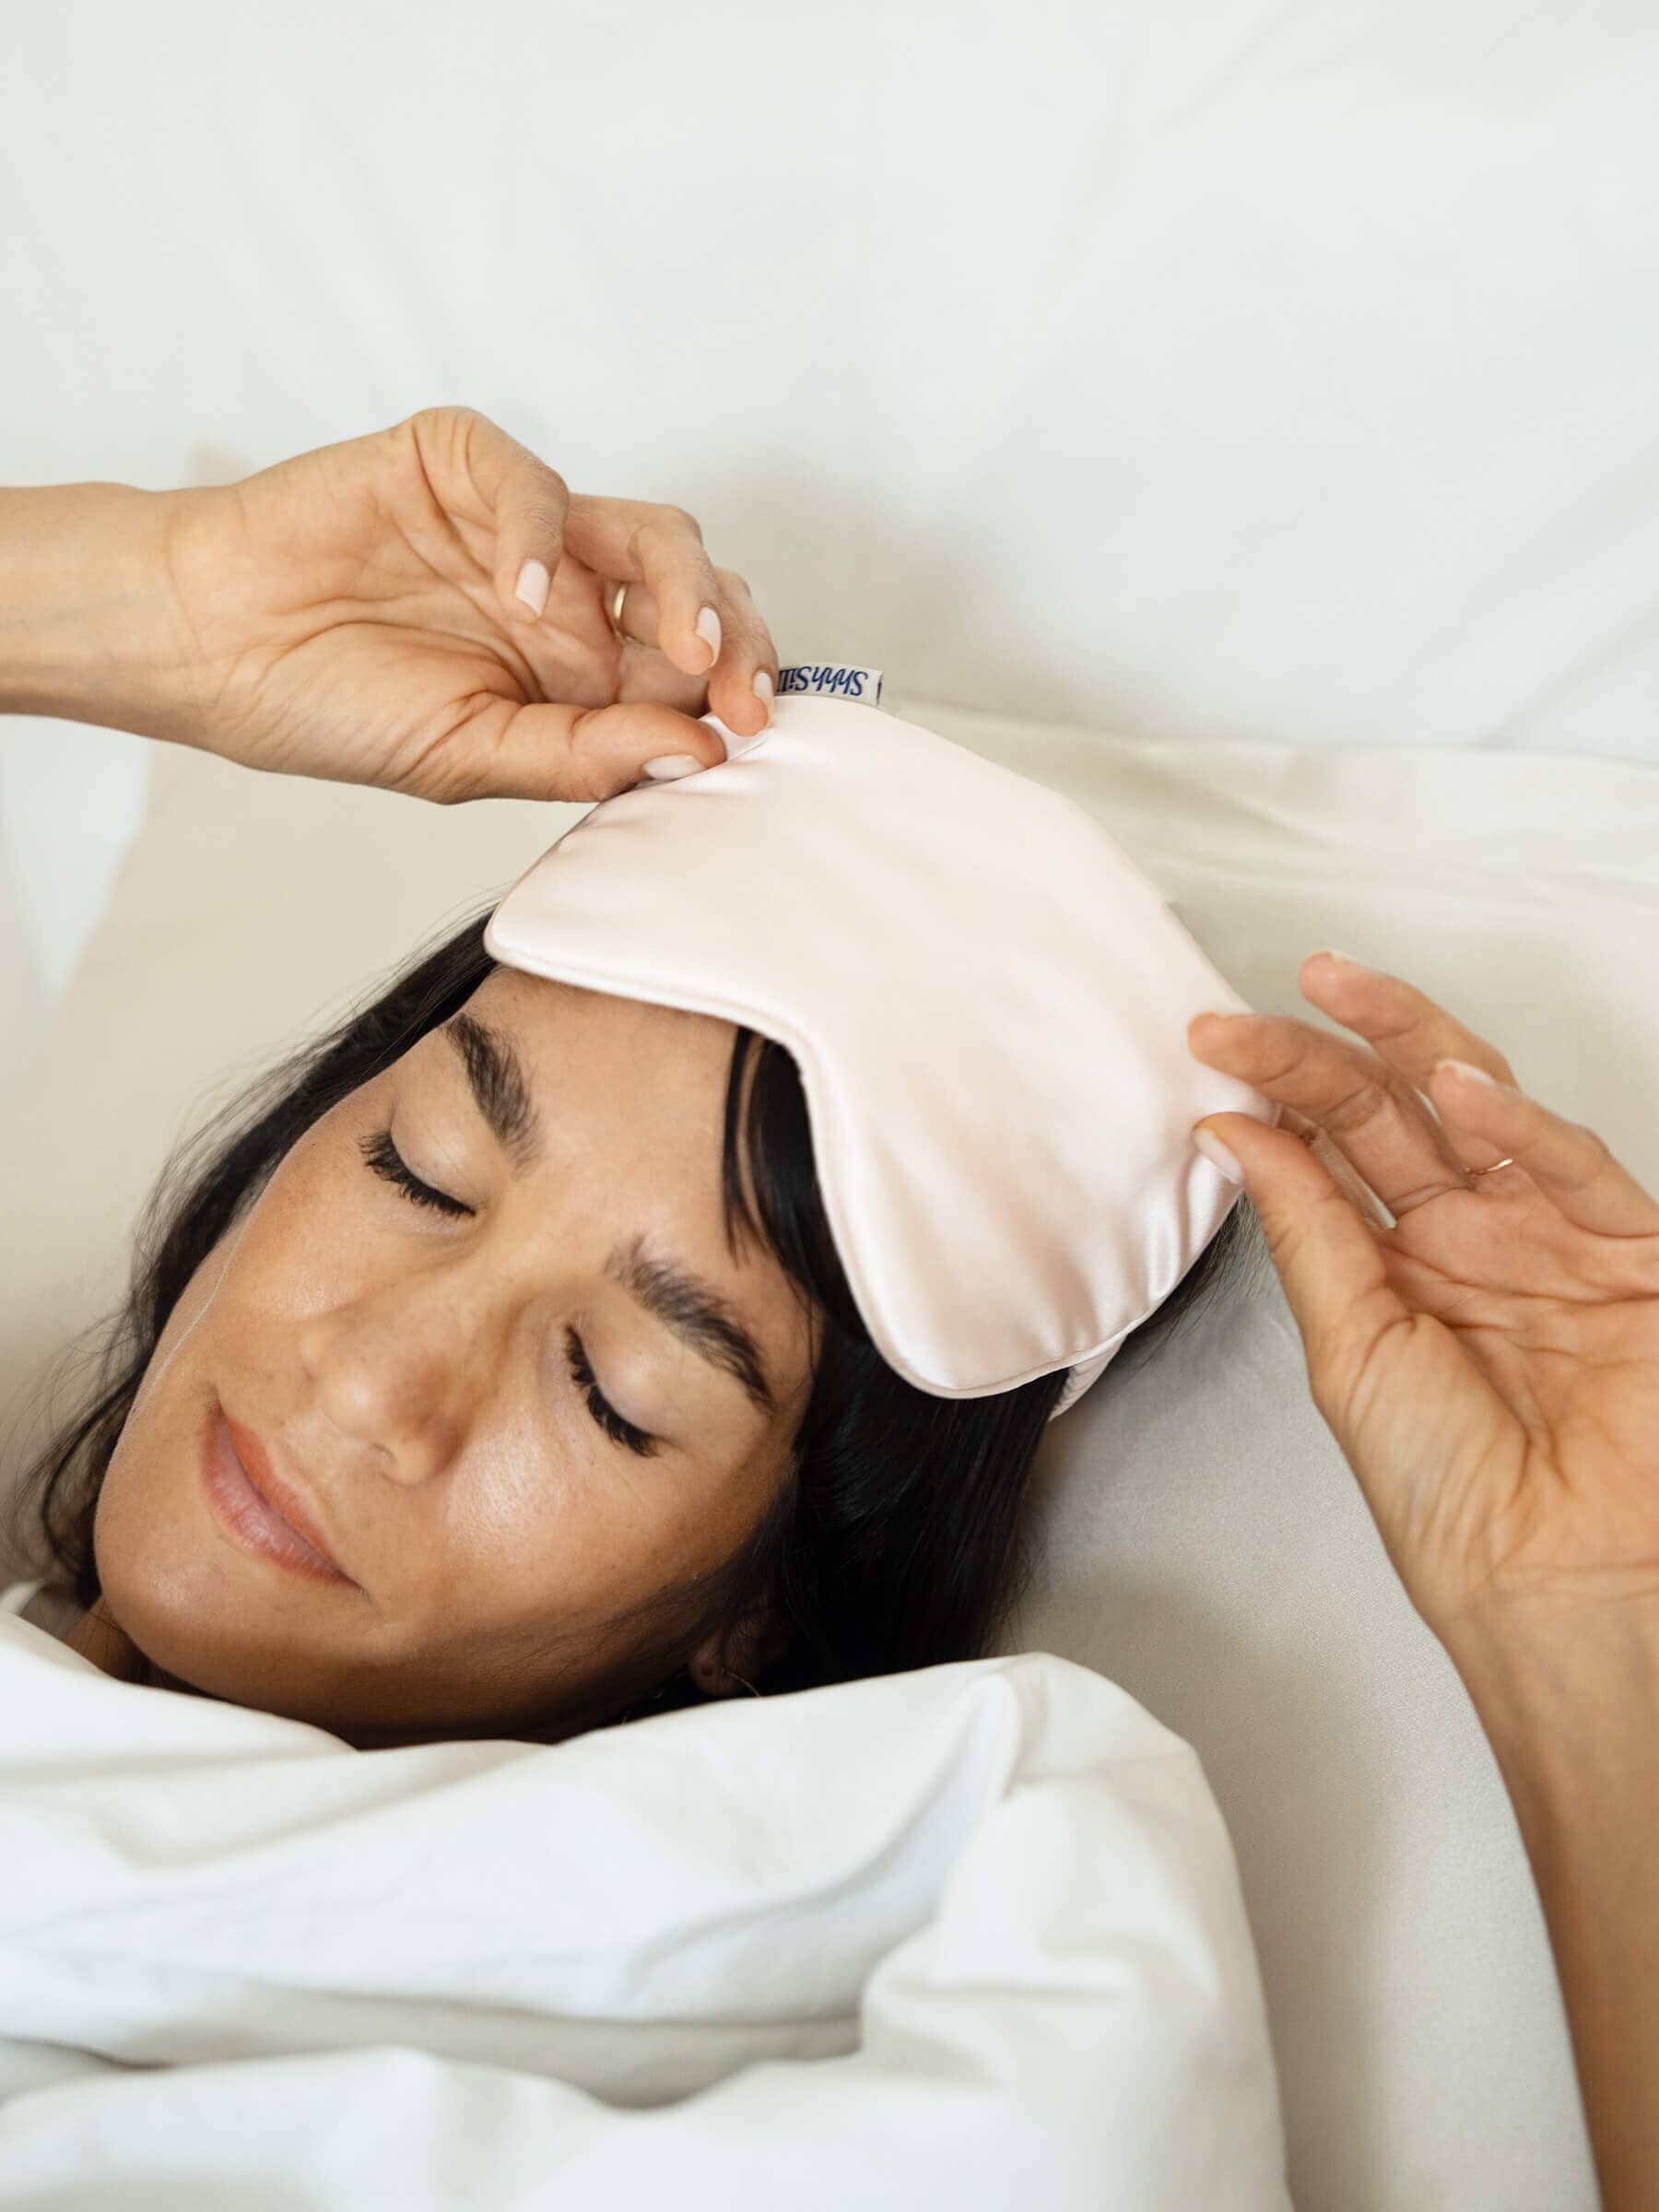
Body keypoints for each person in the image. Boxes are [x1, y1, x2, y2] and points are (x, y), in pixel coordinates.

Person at [0, 406, 1654, 2210]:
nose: (379, 1378)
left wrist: (1586, 1633)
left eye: (611, 1389)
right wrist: (135, 595)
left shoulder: (966, 1928)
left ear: (761, 1616)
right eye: (419, 1171)